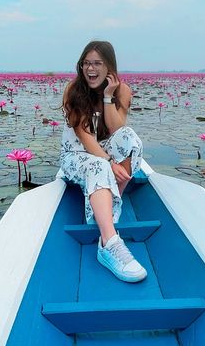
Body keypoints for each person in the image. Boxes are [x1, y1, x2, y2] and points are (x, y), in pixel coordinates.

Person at [60, 40, 147, 283]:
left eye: (98, 63)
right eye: (86, 63)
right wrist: (109, 162)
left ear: (109, 66)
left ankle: (107, 208)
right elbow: (85, 137)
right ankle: (108, 242)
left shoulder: (123, 90)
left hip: (103, 152)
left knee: (132, 140)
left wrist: (109, 97)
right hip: (76, 156)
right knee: (99, 165)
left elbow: (117, 129)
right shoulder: (73, 90)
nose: (91, 69)